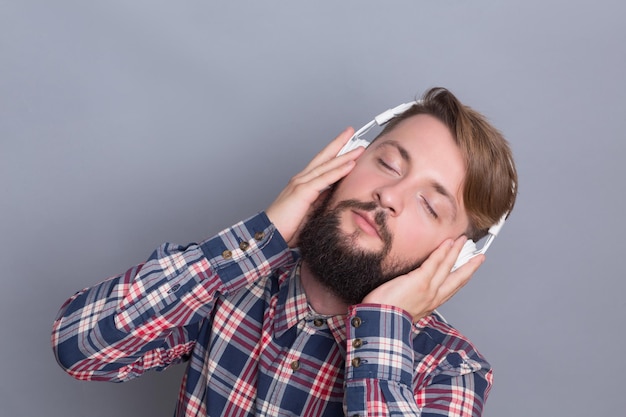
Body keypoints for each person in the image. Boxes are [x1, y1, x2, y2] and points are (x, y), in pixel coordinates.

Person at [52, 87, 517, 417]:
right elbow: (80, 348)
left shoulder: (452, 371)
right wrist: (266, 232)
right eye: (388, 164)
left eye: (429, 205)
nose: (389, 196)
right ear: (345, 163)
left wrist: (381, 327)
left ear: (454, 256)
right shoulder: (232, 279)